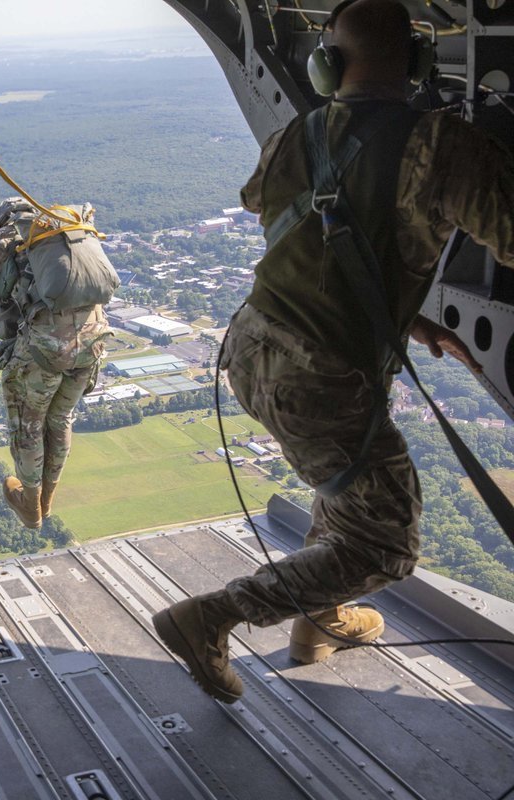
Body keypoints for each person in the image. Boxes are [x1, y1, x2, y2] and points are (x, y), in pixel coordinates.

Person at [152, 0, 514, 704]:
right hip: (318, 376)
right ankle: (210, 616)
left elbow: (293, 225)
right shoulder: (440, 144)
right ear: (414, 61)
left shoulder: (298, 133)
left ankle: (319, 622)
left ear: (328, 67)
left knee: (343, 487)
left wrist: (395, 317)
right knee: (383, 544)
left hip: (254, 347)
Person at [0, 197, 113, 529]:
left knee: (29, 424)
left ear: (2, 218)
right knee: (60, 419)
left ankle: (29, 505)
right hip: (93, 342)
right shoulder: (66, 229)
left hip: (43, 349)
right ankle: (47, 500)